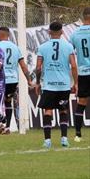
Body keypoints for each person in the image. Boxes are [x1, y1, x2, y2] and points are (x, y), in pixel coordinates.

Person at [35, 21, 78, 149]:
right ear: (62, 32)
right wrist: (76, 82)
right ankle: (64, 138)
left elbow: (38, 68)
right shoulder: (68, 47)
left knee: (48, 111)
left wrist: (38, 82)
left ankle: (47, 141)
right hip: (63, 85)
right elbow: (74, 66)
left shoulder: (42, 47)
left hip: (49, 85)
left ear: (49, 32)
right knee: (63, 110)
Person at [0, 26, 33, 134]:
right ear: (8, 35)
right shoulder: (15, 47)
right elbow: (23, 66)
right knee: (8, 102)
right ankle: (7, 126)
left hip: (0, 79)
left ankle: (0, 121)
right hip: (12, 80)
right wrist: (29, 80)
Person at [69, 7, 90, 142]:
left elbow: (71, 55)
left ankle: (78, 134)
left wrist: (74, 80)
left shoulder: (74, 34)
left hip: (83, 73)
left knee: (81, 103)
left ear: (83, 17)